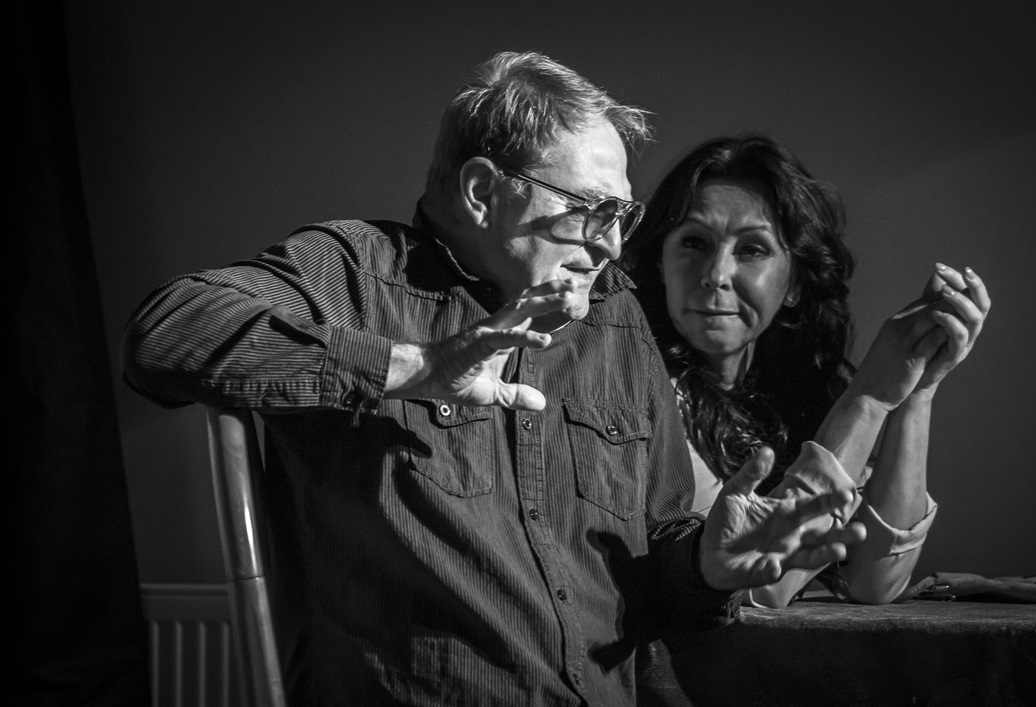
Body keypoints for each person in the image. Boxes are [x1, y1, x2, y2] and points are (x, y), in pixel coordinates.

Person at [122, 55, 866, 704]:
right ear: (481, 191)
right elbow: (165, 331)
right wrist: (414, 367)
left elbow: (657, 566)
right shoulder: (357, 273)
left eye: (624, 216)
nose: (613, 245)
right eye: (592, 210)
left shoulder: (614, 320)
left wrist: (707, 564)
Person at [623, 134, 991, 607]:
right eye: (694, 242)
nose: (715, 274)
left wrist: (917, 388)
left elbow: (874, 581)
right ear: (660, 263)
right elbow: (756, 581)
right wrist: (867, 400)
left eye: (752, 249)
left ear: (795, 281)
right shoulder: (634, 386)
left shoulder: (791, 394)